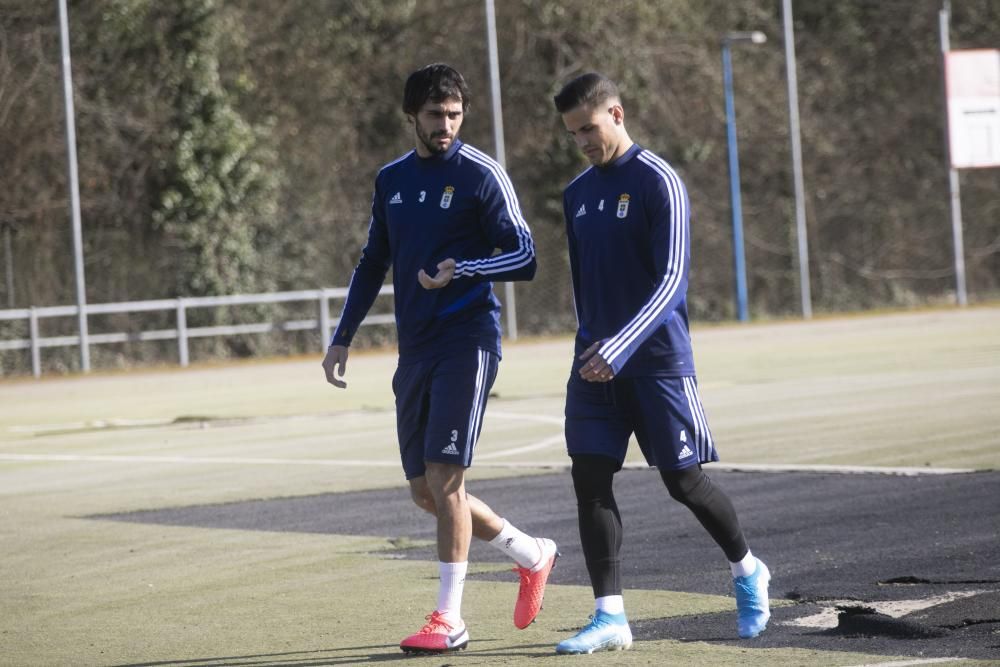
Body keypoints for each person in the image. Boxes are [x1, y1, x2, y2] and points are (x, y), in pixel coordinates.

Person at [321, 63, 557, 655]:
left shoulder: (482, 175)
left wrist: (465, 270)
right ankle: (531, 553)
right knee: (425, 491)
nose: (446, 124)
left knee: (447, 480)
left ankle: (448, 618)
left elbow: (526, 255)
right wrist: (343, 335)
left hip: (468, 340)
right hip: (415, 347)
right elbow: (372, 261)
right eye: (434, 115)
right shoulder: (391, 180)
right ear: (411, 117)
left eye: (454, 114)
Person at [550, 72, 771, 655]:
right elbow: (583, 282)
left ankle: (748, 570)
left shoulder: (659, 182)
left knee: (684, 482)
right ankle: (611, 616)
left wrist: (619, 347)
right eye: (573, 134)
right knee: (589, 482)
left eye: (590, 129)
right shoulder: (576, 195)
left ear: (617, 114)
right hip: (593, 366)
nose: (584, 144)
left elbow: (673, 281)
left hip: (656, 364)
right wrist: (591, 348)